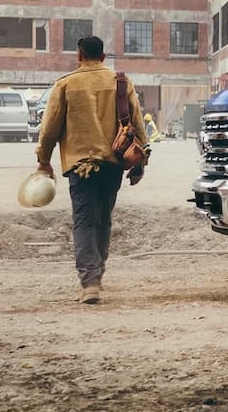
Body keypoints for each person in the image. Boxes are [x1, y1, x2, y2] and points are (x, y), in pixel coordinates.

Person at [35, 36, 148, 304]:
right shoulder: (121, 82)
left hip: (80, 166)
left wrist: (44, 160)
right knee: (103, 219)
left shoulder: (65, 84)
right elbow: (138, 125)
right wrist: (140, 163)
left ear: (79, 56)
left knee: (84, 221)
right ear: (103, 57)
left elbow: (49, 129)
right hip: (112, 165)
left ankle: (90, 282)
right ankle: (97, 274)